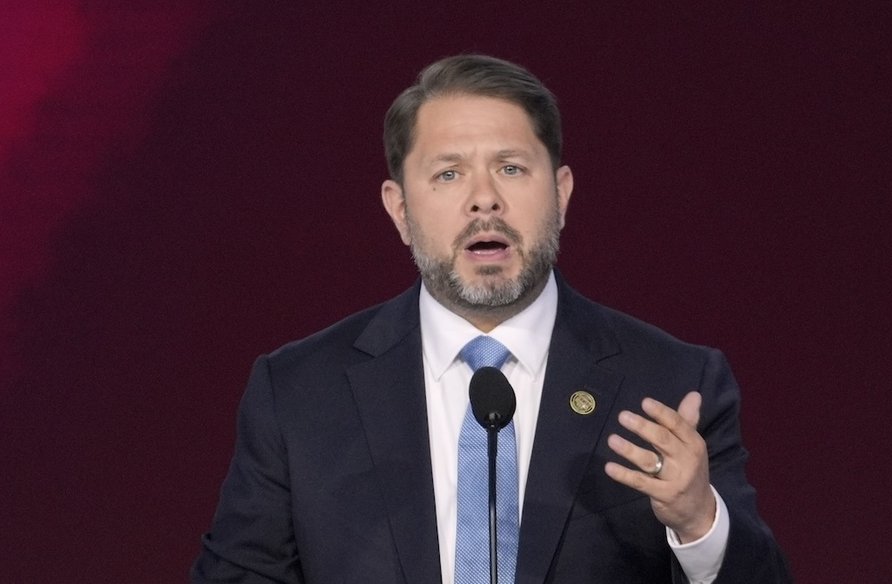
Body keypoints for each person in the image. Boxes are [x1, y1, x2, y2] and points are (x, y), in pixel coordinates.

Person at [192, 54, 791, 584]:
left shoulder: (671, 383)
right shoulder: (299, 393)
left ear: (561, 193)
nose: (485, 200)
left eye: (510, 168)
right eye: (449, 174)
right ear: (399, 209)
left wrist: (697, 522)